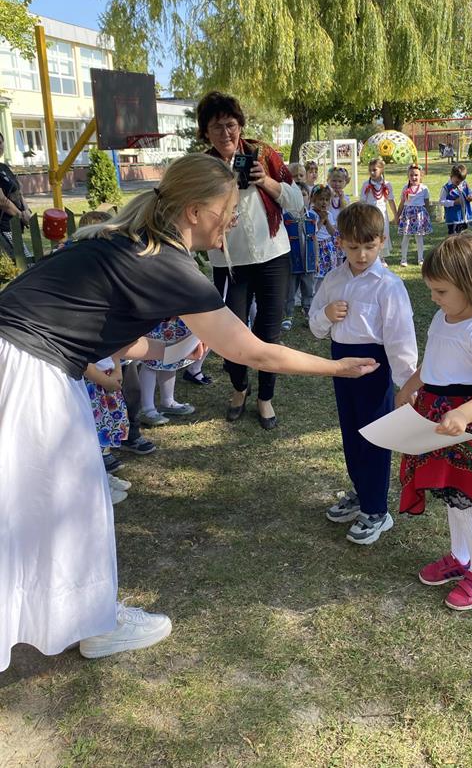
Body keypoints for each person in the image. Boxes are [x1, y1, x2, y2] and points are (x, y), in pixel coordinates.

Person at [0, 152, 377, 672]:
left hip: (18, 359)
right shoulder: (169, 264)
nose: (234, 219)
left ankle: (83, 618)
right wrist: (335, 368)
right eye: (229, 209)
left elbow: (113, 335)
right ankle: (95, 625)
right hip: (30, 373)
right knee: (71, 502)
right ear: (196, 212)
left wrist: (170, 351)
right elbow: (254, 352)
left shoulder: (124, 241)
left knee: (35, 503)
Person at [395, 233, 472, 611]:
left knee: (467, 502)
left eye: (441, 291)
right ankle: (460, 559)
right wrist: (409, 388)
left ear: (470, 285)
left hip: (467, 425)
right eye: (431, 290)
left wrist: (463, 414)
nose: (434, 298)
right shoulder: (442, 316)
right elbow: (431, 363)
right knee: (450, 496)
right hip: (437, 418)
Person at [309, 203, 417, 545]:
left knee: (375, 437)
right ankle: (361, 492)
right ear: (340, 242)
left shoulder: (388, 285)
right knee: (351, 434)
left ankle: (376, 510)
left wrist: (407, 381)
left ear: (382, 241)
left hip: (374, 368)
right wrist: (326, 314)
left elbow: (400, 337)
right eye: (353, 247)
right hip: (341, 365)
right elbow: (315, 326)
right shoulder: (333, 280)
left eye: (369, 247)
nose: (361, 255)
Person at [199, 91, 304, 430]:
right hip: (229, 262)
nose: (226, 133)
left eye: (231, 125)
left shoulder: (264, 155)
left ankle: (265, 397)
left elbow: (297, 203)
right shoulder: (202, 167)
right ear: (205, 132)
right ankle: (239, 387)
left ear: (241, 125)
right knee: (231, 334)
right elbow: (190, 213)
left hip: (273, 257)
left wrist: (266, 181)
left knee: (269, 333)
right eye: (216, 127)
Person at [84, 356, 131, 504]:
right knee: (92, 434)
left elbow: (113, 348)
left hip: (107, 378)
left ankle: (102, 474)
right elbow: (83, 361)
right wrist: (105, 381)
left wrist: (117, 370)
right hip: (91, 382)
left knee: (107, 426)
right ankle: (95, 484)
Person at [138, 318, 197, 426]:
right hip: (156, 316)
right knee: (149, 360)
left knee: (172, 357)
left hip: (176, 316)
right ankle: (147, 408)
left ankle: (168, 401)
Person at [282, 182, 318, 330]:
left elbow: (314, 239)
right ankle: (288, 315)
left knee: (308, 289)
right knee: (290, 290)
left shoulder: (312, 217)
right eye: (297, 195)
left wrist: (316, 259)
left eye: (304, 195)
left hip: (308, 261)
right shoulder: (285, 218)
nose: (301, 198)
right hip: (292, 261)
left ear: (309, 197)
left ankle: (308, 313)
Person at [0, 131, 31, 260]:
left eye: (1, 142)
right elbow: (2, 201)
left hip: (14, 226)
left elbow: (18, 192)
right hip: (3, 227)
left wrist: (26, 210)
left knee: (25, 262)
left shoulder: (4, 167)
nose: (0, 145)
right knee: (25, 263)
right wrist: (21, 215)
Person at [360, 157, 397, 261]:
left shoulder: (387, 184)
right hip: (370, 214)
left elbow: (391, 200)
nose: (372, 172)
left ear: (382, 169)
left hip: (382, 214)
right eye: (370, 170)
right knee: (371, 234)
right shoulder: (366, 184)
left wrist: (396, 215)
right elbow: (362, 201)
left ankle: (382, 257)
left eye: (374, 170)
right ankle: (372, 256)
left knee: (383, 233)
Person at [396, 164, 431, 267]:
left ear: (421, 176)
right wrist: (397, 215)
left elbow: (427, 203)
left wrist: (427, 216)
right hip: (408, 216)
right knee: (406, 237)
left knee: (419, 238)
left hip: (419, 216)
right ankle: (403, 259)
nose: (414, 177)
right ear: (408, 176)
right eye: (411, 175)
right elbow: (402, 203)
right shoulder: (405, 188)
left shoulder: (424, 188)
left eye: (416, 175)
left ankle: (420, 258)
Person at [311, 184, 339, 291]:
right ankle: (315, 294)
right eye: (321, 199)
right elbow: (313, 232)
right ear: (314, 200)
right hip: (317, 246)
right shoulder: (311, 214)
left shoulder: (329, 214)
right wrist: (321, 220)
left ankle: (326, 293)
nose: (324, 202)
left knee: (329, 274)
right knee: (317, 275)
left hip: (328, 245)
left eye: (327, 200)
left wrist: (327, 221)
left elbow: (332, 232)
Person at [439, 163, 472, 235]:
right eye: (457, 181)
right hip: (453, 218)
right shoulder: (446, 188)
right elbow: (441, 201)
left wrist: (471, 196)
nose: (459, 183)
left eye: (461, 181)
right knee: (453, 237)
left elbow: (470, 192)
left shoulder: (464, 185)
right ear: (451, 176)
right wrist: (454, 202)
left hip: (464, 217)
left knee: (463, 236)